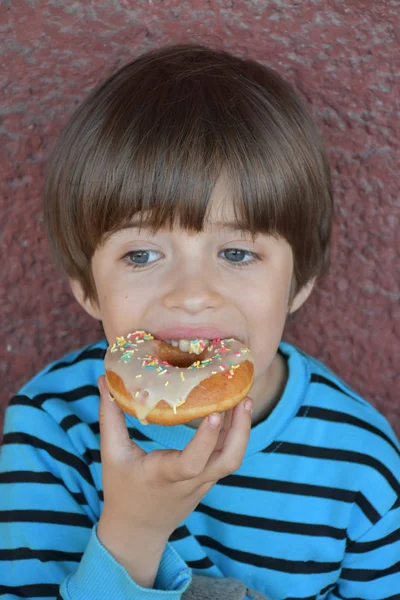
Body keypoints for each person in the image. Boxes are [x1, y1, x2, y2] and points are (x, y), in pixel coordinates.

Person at [0, 43, 399, 600]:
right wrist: (134, 529)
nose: (191, 296)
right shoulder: (50, 432)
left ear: (300, 281)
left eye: (237, 253)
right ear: (88, 288)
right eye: (141, 255)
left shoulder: (362, 466)